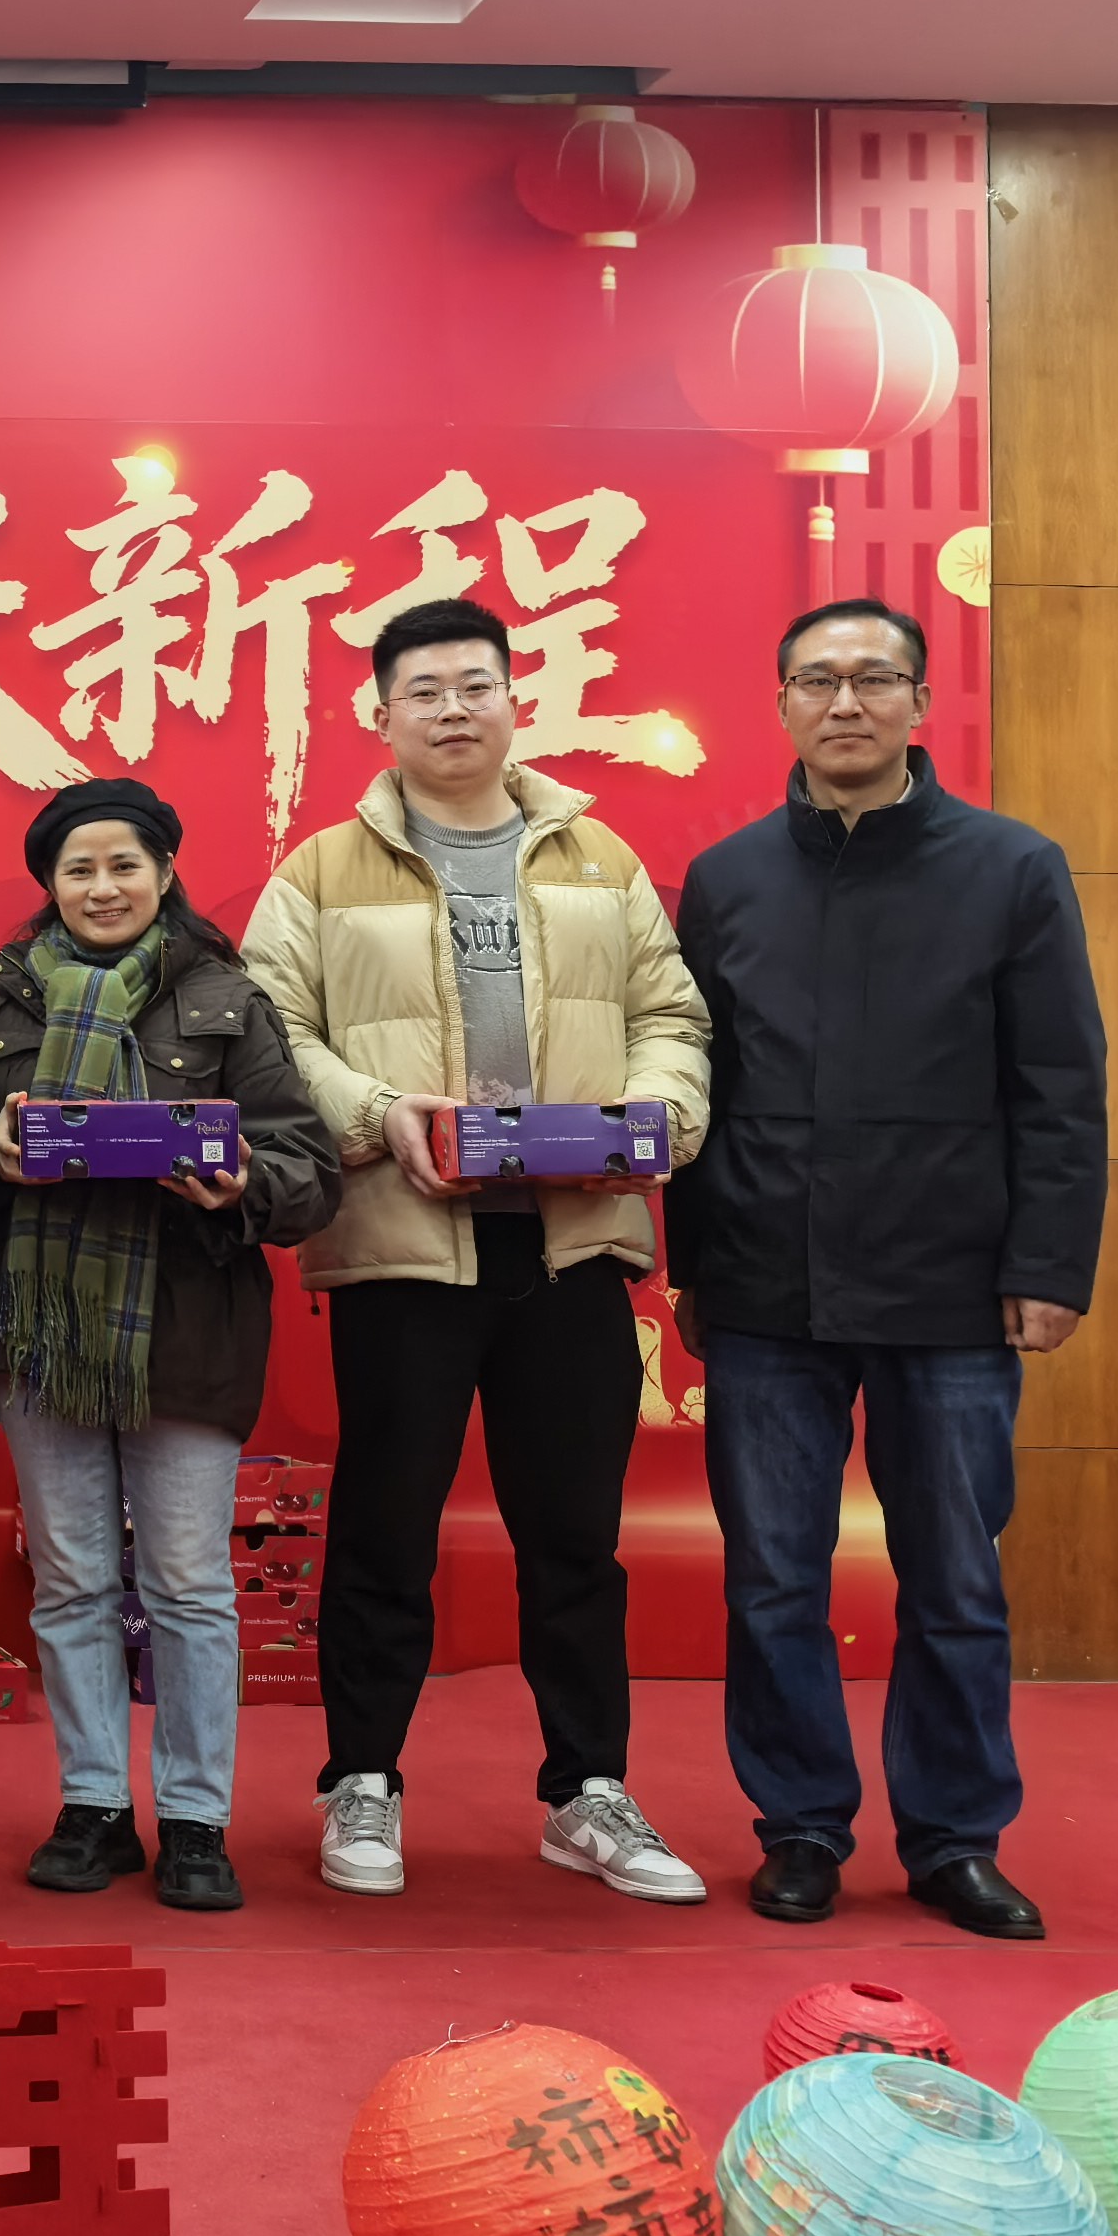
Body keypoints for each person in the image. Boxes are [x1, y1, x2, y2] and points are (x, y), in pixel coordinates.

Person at [242, 597, 713, 1906]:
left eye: (475, 686)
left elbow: (670, 1016)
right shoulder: (321, 871)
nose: (453, 710)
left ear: (515, 700)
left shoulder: (597, 856)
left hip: (573, 1249)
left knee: (577, 1540)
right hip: (405, 1247)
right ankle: (362, 1778)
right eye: (425, 691)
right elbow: (270, 1035)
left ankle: (588, 1791)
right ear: (380, 715)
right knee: (383, 1532)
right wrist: (375, 1115)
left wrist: (651, 1120)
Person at [672, 600, 1105, 1943]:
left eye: (874, 679)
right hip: (766, 1285)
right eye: (817, 679)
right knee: (772, 1581)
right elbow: (695, 1078)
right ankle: (800, 1827)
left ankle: (954, 1838)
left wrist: (1049, 1263)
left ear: (919, 702)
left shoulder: (1012, 869)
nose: (845, 702)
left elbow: (1061, 1084)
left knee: (954, 1581)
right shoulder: (726, 878)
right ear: (782, 704)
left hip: (951, 1287)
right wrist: (695, 1264)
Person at [0, 777, 335, 1913]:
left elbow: (308, 1171)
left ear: (165, 873)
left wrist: (241, 1182)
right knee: (70, 1579)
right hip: (43, 1328)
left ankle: (196, 1820)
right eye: (78, 869)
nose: (103, 887)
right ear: (50, 884)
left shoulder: (227, 997)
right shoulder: (0, 997)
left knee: (187, 1585)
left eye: (124, 864)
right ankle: (92, 1806)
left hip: (187, 1322)